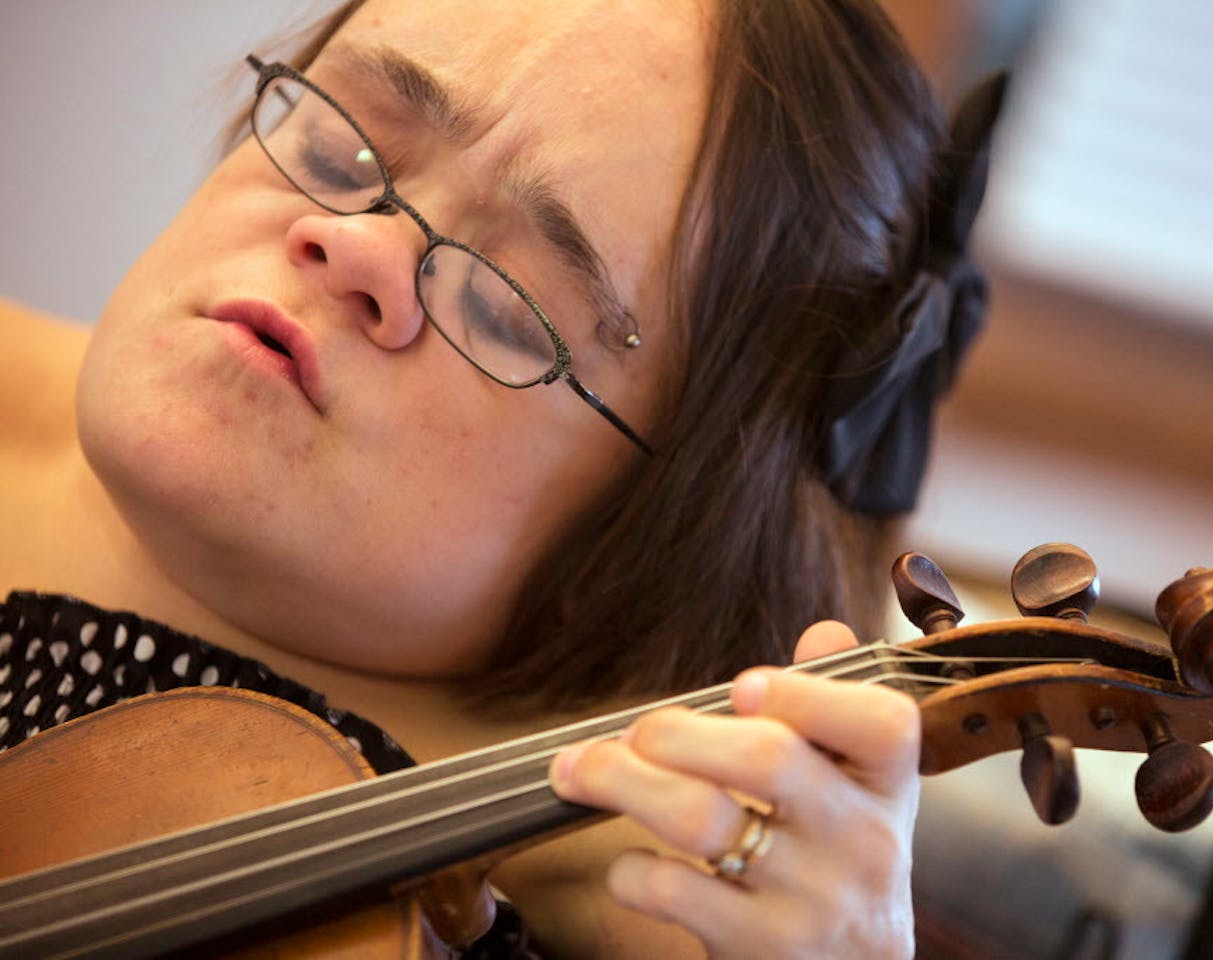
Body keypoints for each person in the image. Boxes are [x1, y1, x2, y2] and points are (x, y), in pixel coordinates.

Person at [0, 0, 989, 955]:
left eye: (508, 309)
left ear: (649, 535)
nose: (357, 242)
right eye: (339, 149)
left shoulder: (632, 900)